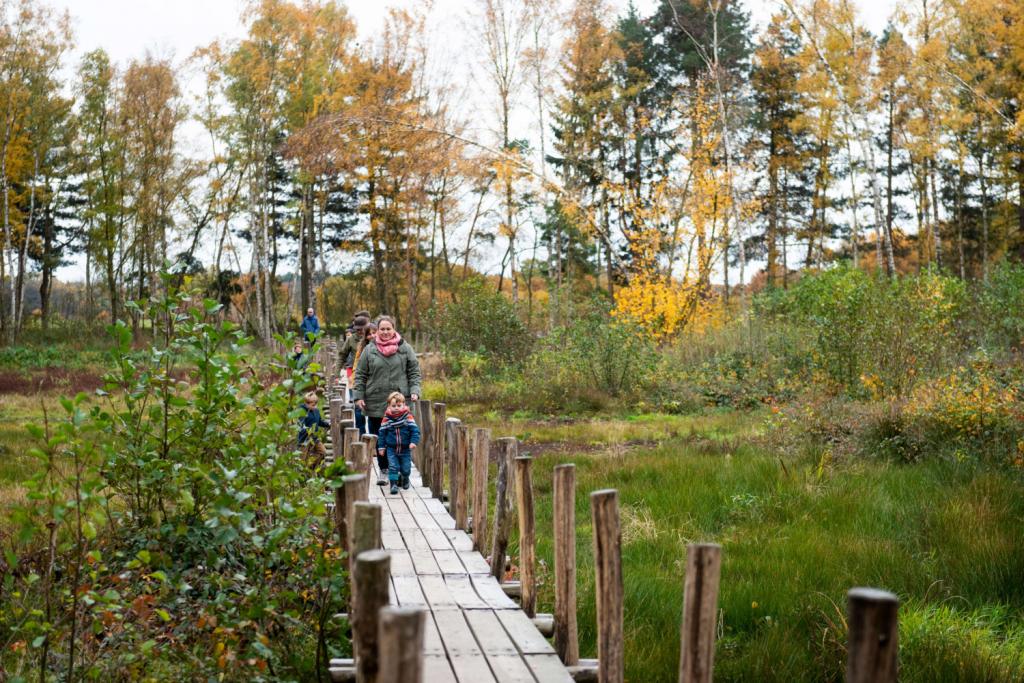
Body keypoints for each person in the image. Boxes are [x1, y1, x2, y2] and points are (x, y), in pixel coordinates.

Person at [353, 315, 421, 484]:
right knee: (380, 436)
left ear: (394, 329)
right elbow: (360, 374)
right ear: (377, 330)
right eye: (382, 329)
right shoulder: (370, 349)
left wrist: (415, 390)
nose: (384, 332)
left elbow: (414, 372)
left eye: (388, 329)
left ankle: (399, 471)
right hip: (375, 400)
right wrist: (358, 396)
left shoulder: (405, 349)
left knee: (401, 437)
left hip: (399, 402)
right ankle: (384, 470)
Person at [377, 391, 420, 494]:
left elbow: (415, 430)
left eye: (399, 405)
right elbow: (382, 433)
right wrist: (381, 447)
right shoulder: (387, 419)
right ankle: (394, 484)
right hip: (391, 449)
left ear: (404, 405)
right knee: (393, 467)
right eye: (393, 405)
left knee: (405, 468)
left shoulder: (408, 417)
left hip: (405, 449)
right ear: (389, 406)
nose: (396, 408)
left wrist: (413, 442)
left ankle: (405, 478)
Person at [351, 321, 378, 434]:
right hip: (362, 384)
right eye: (369, 334)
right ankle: (361, 435)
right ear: (365, 336)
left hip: (374, 387)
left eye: (374, 333)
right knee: (359, 410)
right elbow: (356, 367)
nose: (371, 336)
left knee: (373, 416)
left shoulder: (382, 348)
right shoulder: (362, 348)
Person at [298, 391, 329, 468]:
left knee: (323, 452)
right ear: (306, 403)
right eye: (313, 405)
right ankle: (303, 472)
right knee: (302, 459)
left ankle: (309, 466)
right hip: (305, 439)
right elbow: (301, 425)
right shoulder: (302, 411)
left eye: (316, 404)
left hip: (314, 438)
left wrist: (327, 424)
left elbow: (319, 421)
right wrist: (308, 430)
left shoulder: (316, 411)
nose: (315, 407)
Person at [339, 314, 370, 381]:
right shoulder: (351, 339)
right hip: (354, 370)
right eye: (357, 329)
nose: (360, 331)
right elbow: (342, 356)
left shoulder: (372, 338)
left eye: (362, 329)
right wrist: (336, 374)